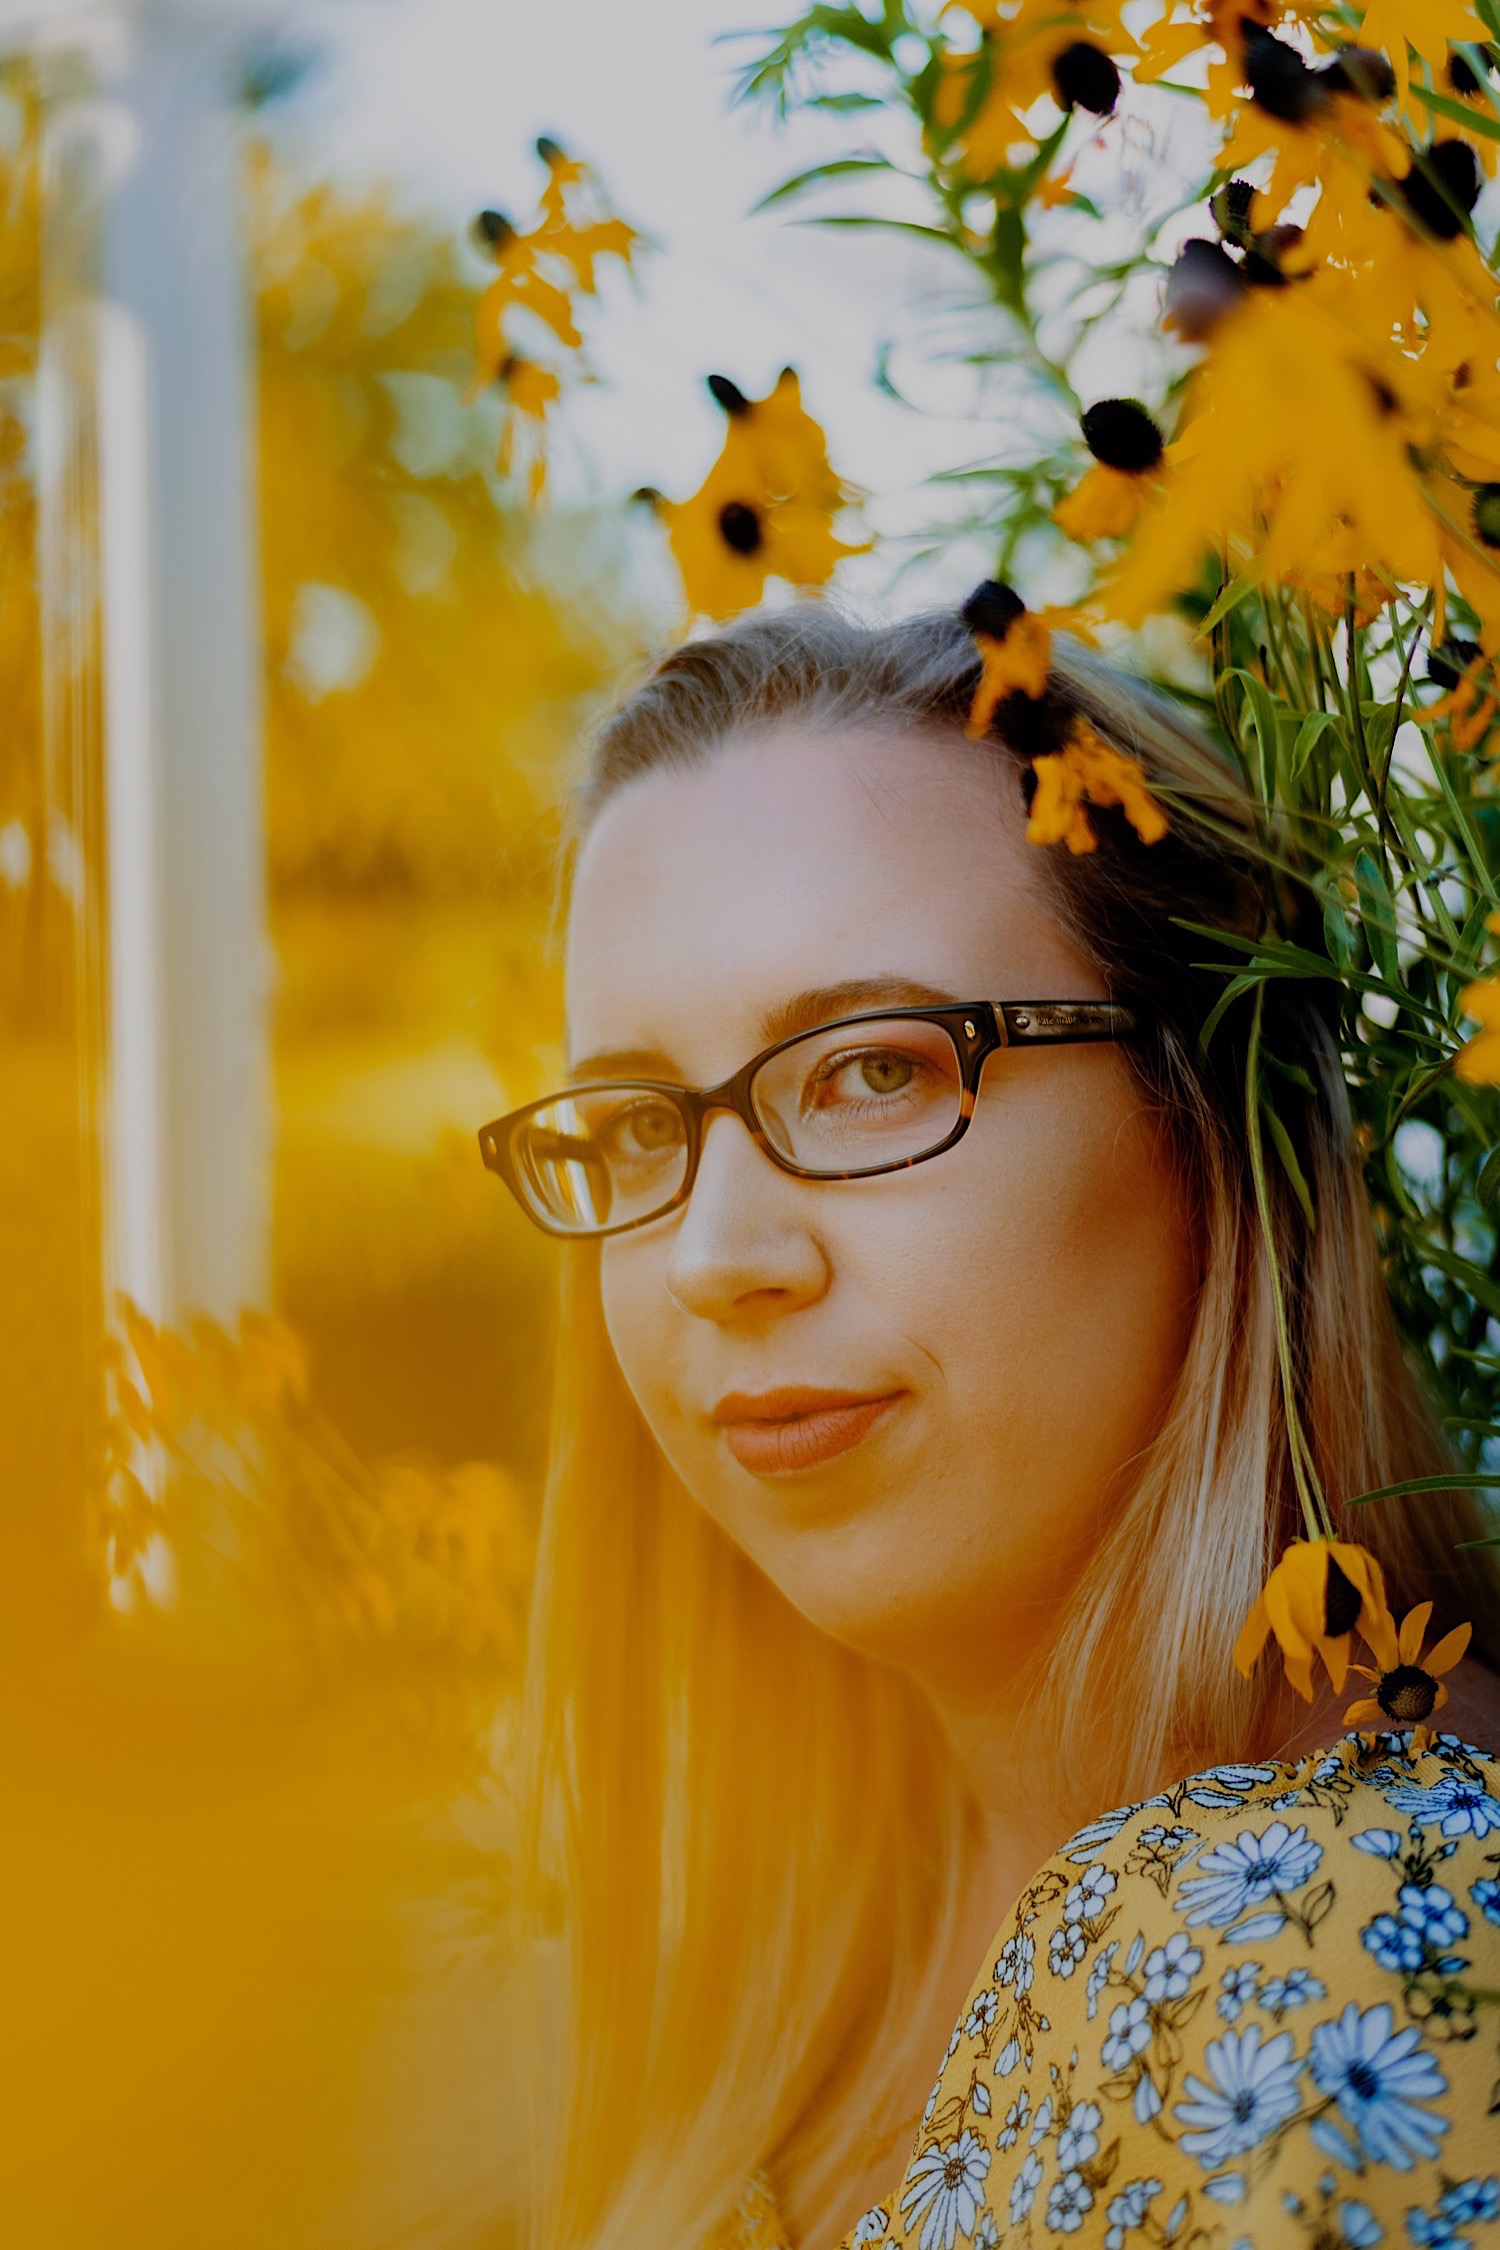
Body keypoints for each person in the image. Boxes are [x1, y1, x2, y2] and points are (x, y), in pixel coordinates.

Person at [480, 603, 1500, 2250]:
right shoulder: (780, 1958)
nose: (720, 1255)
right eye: (634, 1119)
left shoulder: (1363, 1951)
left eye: (874, 1070)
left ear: (1215, 1121)